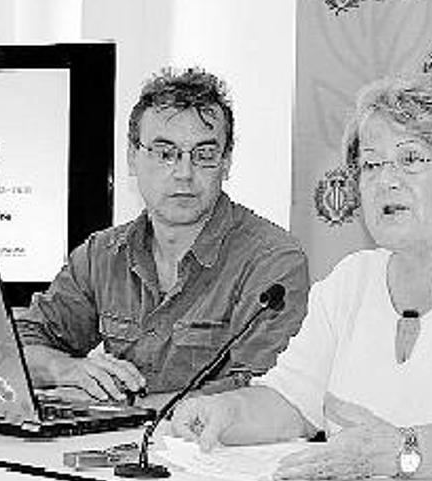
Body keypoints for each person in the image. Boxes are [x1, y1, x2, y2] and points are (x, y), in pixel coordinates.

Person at [171, 73, 432, 480]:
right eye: (371, 165)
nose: (386, 181)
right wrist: (226, 413)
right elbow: (292, 402)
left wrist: (396, 453)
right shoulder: (351, 281)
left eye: (410, 160)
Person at [17, 67, 309, 406]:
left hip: (216, 453)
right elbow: (21, 345)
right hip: (111, 447)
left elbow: (262, 391)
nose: (184, 174)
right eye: (165, 153)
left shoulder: (273, 260)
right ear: (132, 158)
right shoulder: (102, 254)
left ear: (226, 163)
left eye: (204, 155)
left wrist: (127, 408)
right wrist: (63, 369)